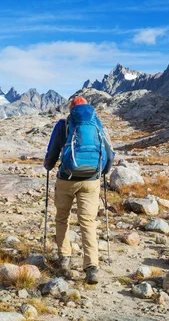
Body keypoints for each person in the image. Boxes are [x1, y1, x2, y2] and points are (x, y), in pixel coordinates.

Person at [43, 96, 114, 284]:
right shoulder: (97, 124)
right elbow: (109, 154)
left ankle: (64, 258)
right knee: (88, 222)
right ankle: (91, 268)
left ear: (71, 110)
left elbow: (52, 153)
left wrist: (48, 166)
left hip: (66, 179)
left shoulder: (63, 125)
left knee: (62, 218)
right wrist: (102, 172)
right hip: (91, 181)